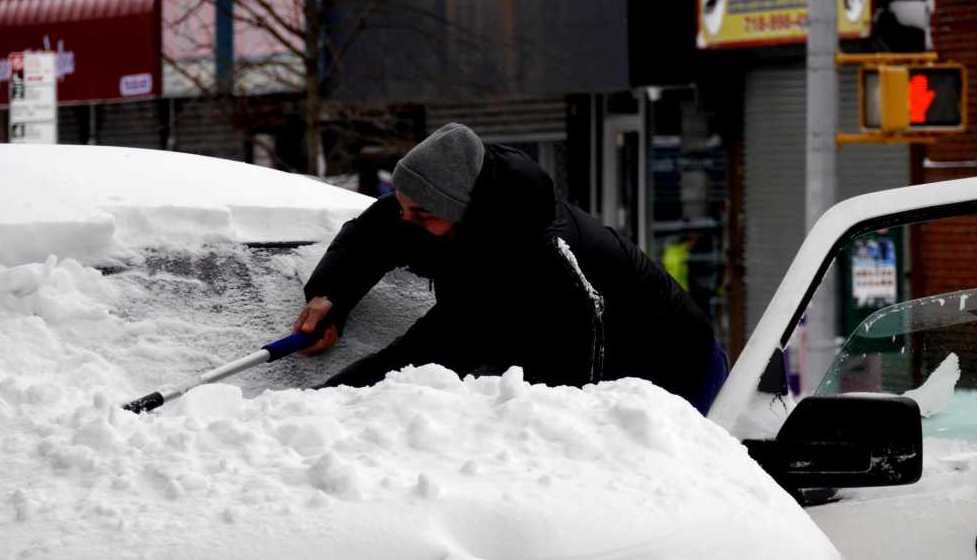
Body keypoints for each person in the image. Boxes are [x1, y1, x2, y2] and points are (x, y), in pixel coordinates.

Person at [294, 123, 728, 413]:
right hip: (579, 355)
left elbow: (433, 351)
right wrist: (331, 296)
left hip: (671, 373)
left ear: (463, 213)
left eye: (420, 215)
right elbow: (372, 234)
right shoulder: (442, 203)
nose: (405, 221)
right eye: (404, 207)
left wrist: (330, 407)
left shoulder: (539, 264)